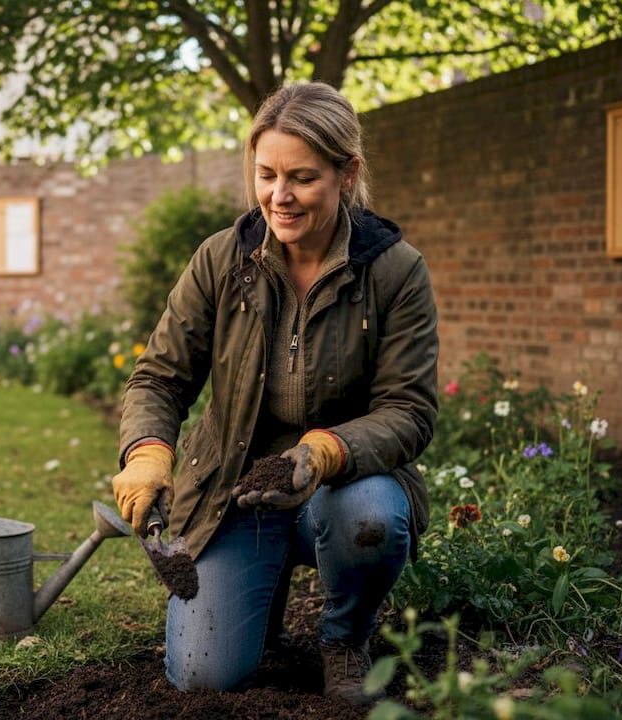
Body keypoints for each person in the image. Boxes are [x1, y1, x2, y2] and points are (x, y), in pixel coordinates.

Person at [111, 82, 438, 705]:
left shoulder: (395, 272)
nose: (278, 197)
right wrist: (149, 449)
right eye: (266, 175)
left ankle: (344, 639)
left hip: (340, 489)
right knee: (205, 678)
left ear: (348, 175)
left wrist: (323, 452)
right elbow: (160, 375)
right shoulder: (222, 260)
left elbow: (410, 410)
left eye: (301, 178)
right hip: (237, 491)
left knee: (369, 518)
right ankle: (259, 601)